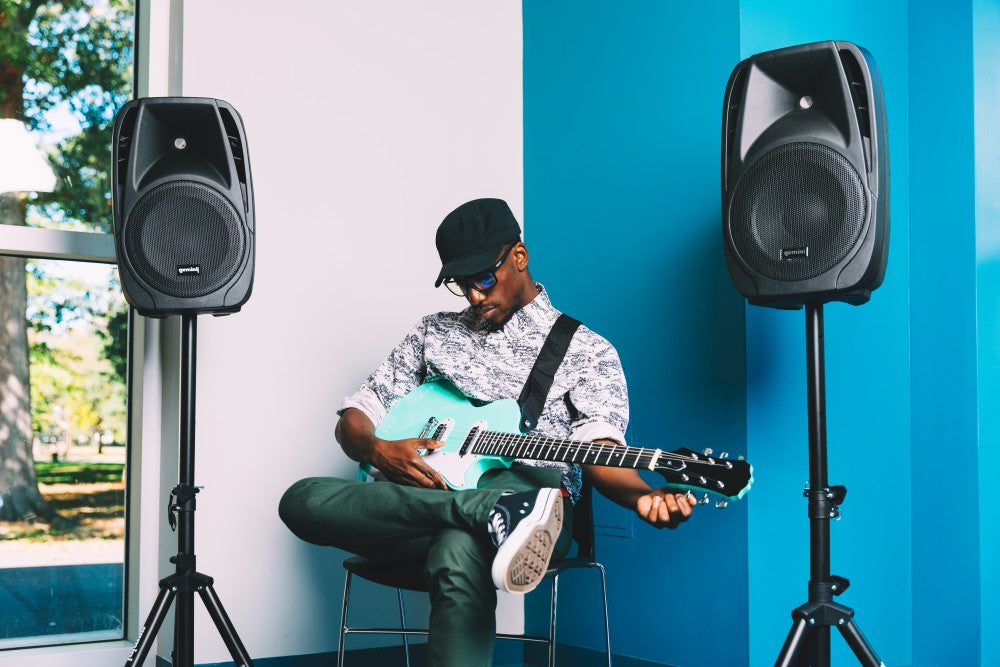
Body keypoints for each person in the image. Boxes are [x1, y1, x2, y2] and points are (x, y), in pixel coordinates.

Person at [278, 197, 696, 667]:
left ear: (518, 256)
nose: (475, 297)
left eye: (483, 279)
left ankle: (506, 510)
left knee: (458, 552)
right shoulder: (432, 333)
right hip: (423, 504)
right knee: (301, 499)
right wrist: (377, 450)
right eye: (462, 285)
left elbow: (599, 451)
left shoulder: (587, 352)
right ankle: (485, 511)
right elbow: (357, 413)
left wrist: (642, 497)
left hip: (537, 509)